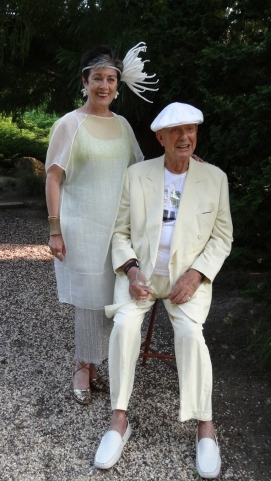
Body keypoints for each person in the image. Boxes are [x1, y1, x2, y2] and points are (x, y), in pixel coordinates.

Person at [94, 102, 233, 479]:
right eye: (176, 132)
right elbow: (120, 233)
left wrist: (197, 275)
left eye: (191, 131)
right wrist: (132, 271)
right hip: (141, 278)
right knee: (124, 326)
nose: (185, 137)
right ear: (161, 138)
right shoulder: (137, 175)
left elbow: (222, 239)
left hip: (186, 280)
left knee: (190, 334)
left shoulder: (214, 178)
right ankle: (119, 419)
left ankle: (205, 424)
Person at [45, 42, 159, 405]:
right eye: (98, 78)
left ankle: (95, 360)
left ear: (117, 84)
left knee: (113, 297)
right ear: (85, 81)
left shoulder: (123, 125)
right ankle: (82, 365)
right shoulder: (70, 124)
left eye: (111, 79)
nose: (104, 86)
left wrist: (181, 163)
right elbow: (52, 177)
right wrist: (54, 229)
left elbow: (140, 168)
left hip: (119, 231)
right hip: (82, 228)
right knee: (88, 300)